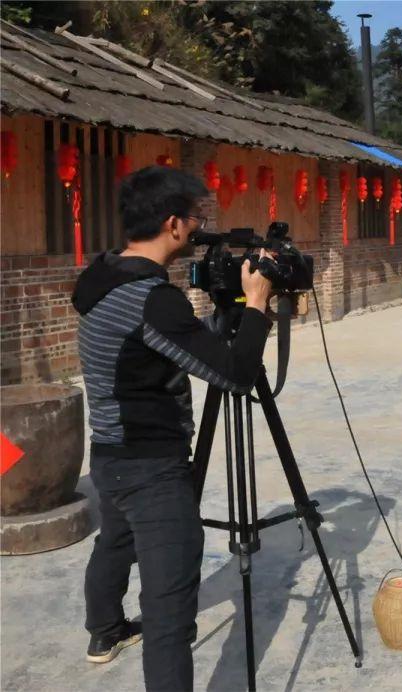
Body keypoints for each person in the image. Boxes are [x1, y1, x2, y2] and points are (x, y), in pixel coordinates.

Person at [71, 166, 273, 690]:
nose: (199, 226)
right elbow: (235, 374)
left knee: (115, 542)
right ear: (174, 225)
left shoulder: (101, 273)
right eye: (195, 218)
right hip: (150, 466)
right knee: (169, 609)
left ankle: (105, 632)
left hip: (111, 454)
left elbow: (163, 344)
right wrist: (255, 303)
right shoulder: (153, 299)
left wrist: (216, 321)